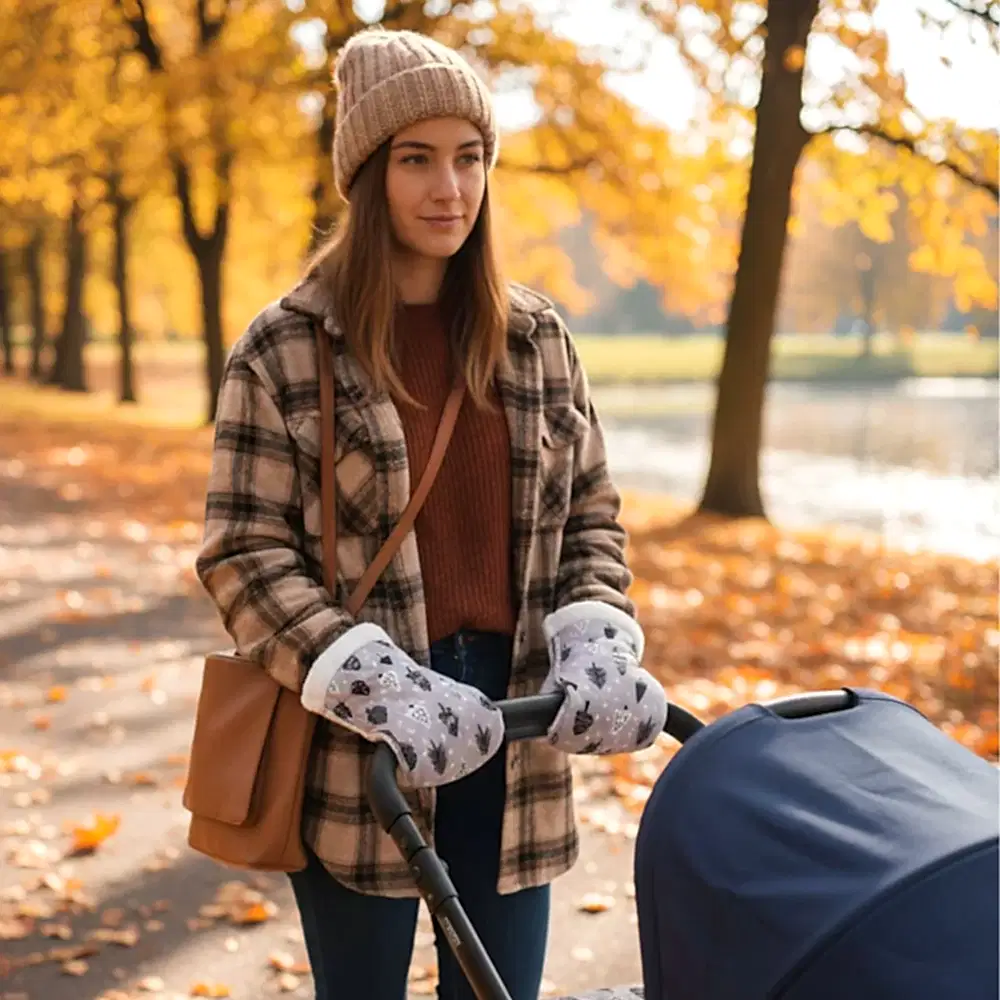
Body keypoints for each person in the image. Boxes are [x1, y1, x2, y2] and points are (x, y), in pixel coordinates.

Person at [195, 25, 668, 1000]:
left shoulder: (534, 338)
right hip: (360, 739)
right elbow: (243, 551)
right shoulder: (289, 348)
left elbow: (589, 511)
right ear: (368, 175)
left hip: (520, 719)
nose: (449, 188)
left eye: (468, 157)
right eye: (416, 160)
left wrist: (596, 639)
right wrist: (370, 682)